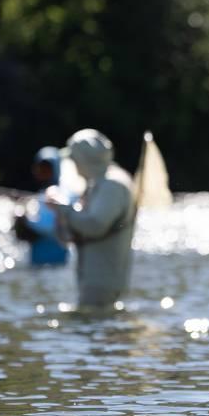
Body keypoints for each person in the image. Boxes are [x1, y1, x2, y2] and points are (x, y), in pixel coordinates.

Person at [51, 128, 135, 306]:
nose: (73, 163)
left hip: (103, 281)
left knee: (98, 320)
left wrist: (63, 209)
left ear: (83, 159)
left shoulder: (111, 186)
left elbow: (95, 225)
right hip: (97, 279)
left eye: (74, 158)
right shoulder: (101, 182)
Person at [13, 146, 71, 267]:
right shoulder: (40, 195)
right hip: (37, 260)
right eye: (40, 168)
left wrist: (26, 220)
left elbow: (51, 228)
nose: (42, 173)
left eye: (47, 169)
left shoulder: (60, 195)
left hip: (56, 262)